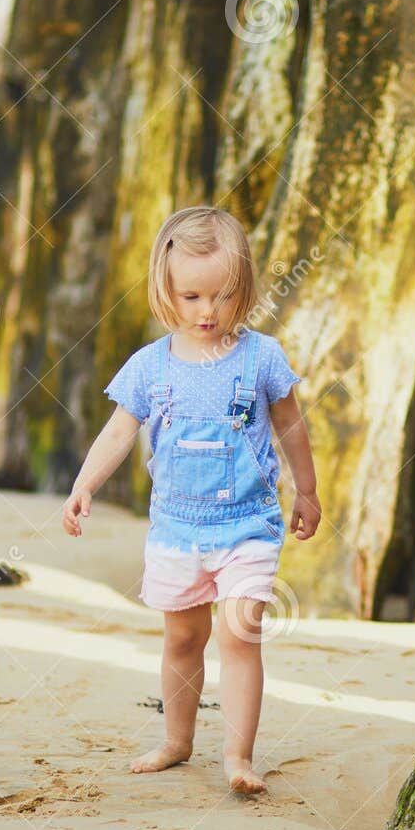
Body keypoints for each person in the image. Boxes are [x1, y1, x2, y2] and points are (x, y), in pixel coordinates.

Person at [61, 207, 321, 795]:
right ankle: (178, 740)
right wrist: (85, 484)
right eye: (193, 296)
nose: (208, 311)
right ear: (167, 291)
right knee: (182, 639)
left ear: (245, 289)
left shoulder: (262, 358)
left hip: (249, 525)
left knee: (240, 632)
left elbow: (291, 426)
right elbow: (120, 431)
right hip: (176, 530)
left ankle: (238, 755)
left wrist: (307, 488)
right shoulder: (150, 366)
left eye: (224, 296)